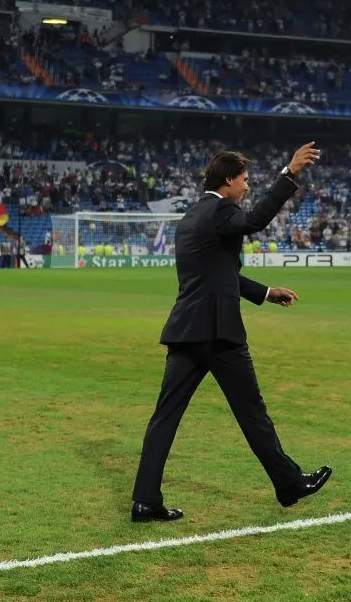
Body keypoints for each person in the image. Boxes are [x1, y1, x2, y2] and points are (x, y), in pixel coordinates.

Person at [131, 141, 331, 523]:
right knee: (252, 412)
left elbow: (218, 274)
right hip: (219, 334)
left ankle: (145, 500)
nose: (247, 187)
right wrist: (289, 174)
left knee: (164, 418)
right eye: (244, 180)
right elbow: (255, 220)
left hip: (185, 331)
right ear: (227, 181)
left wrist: (266, 292)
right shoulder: (223, 209)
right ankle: (289, 484)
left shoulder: (193, 215)